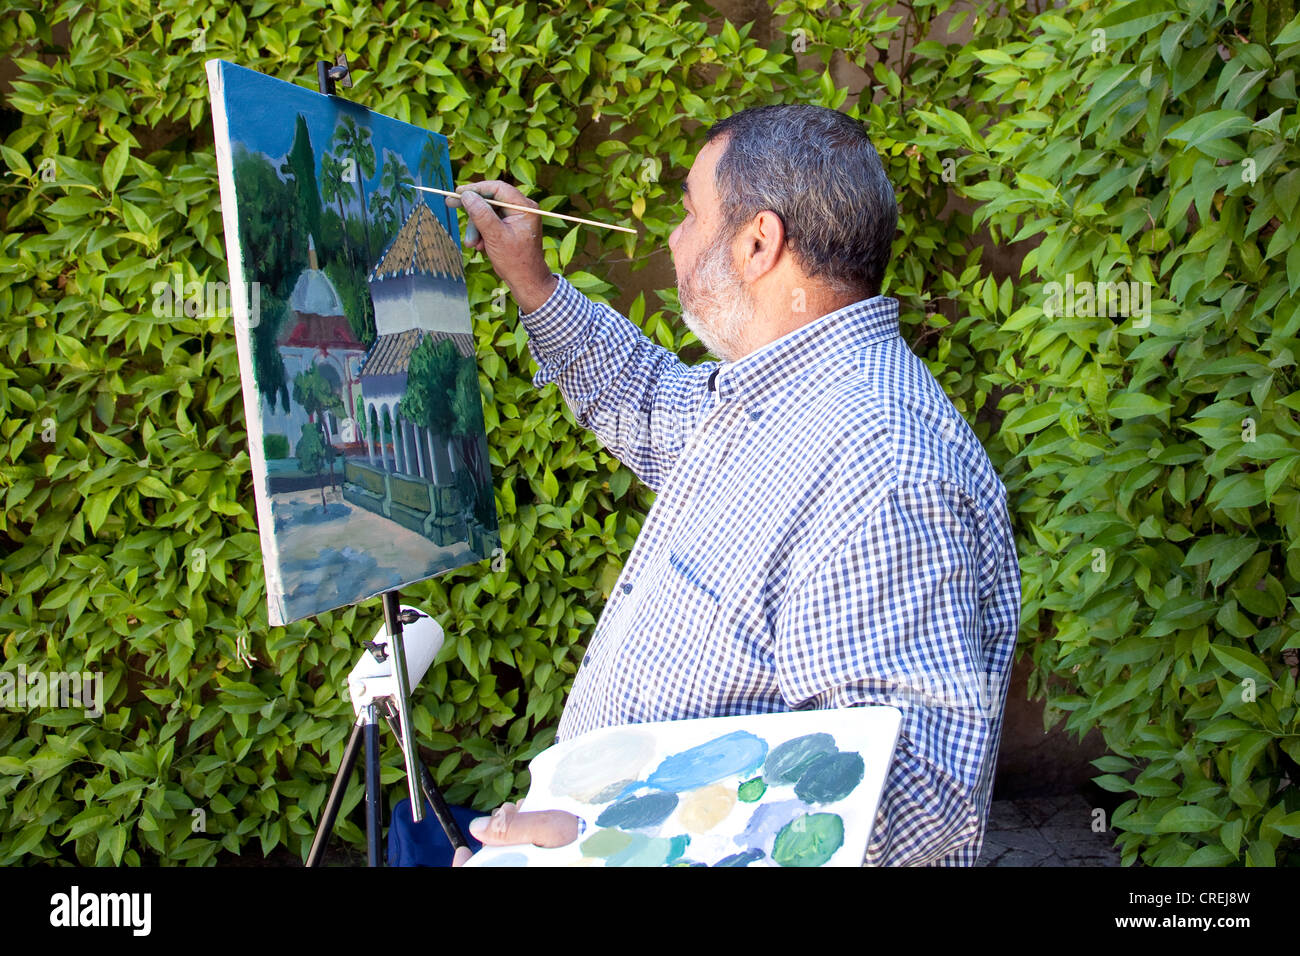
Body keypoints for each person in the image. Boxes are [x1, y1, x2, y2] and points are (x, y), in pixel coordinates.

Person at [446, 104, 1021, 867]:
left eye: (689, 213)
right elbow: (649, 403)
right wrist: (535, 284)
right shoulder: (774, 395)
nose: (673, 239)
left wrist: (599, 849)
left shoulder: (881, 468)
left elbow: (906, 805)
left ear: (758, 241)